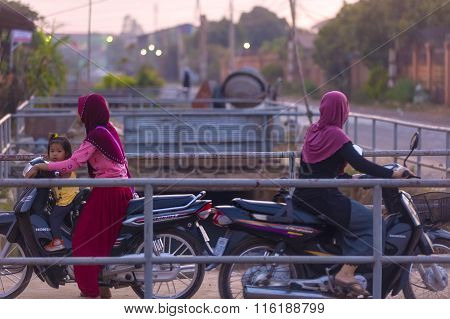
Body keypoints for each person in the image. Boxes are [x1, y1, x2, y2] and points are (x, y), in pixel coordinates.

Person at [293, 91, 411, 296]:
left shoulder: (313, 131)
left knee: (352, 221)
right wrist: (391, 173)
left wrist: (348, 178)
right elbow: (360, 162)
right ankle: (346, 273)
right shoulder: (336, 135)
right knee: (372, 223)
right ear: (342, 111)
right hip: (324, 198)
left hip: (304, 196)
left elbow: (314, 169)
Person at [26, 93, 133, 299]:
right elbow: (123, 163)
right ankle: (101, 283)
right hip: (118, 189)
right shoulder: (107, 129)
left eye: (82, 110)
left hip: (109, 192)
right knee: (97, 237)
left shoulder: (97, 135)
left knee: (82, 239)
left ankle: (90, 291)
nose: (79, 114)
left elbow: (72, 163)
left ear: (89, 112)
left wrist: (42, 165)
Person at [44, 134, 79, 252]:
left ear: (67, 153)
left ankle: (57, 241)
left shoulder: (66, 166)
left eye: (59, 151)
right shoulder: (57, 165)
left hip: (67, 200)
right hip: (65, 198)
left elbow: (57, 172)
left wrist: (43, 167)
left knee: (54, 218)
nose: (54, 154)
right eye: (52, 151)